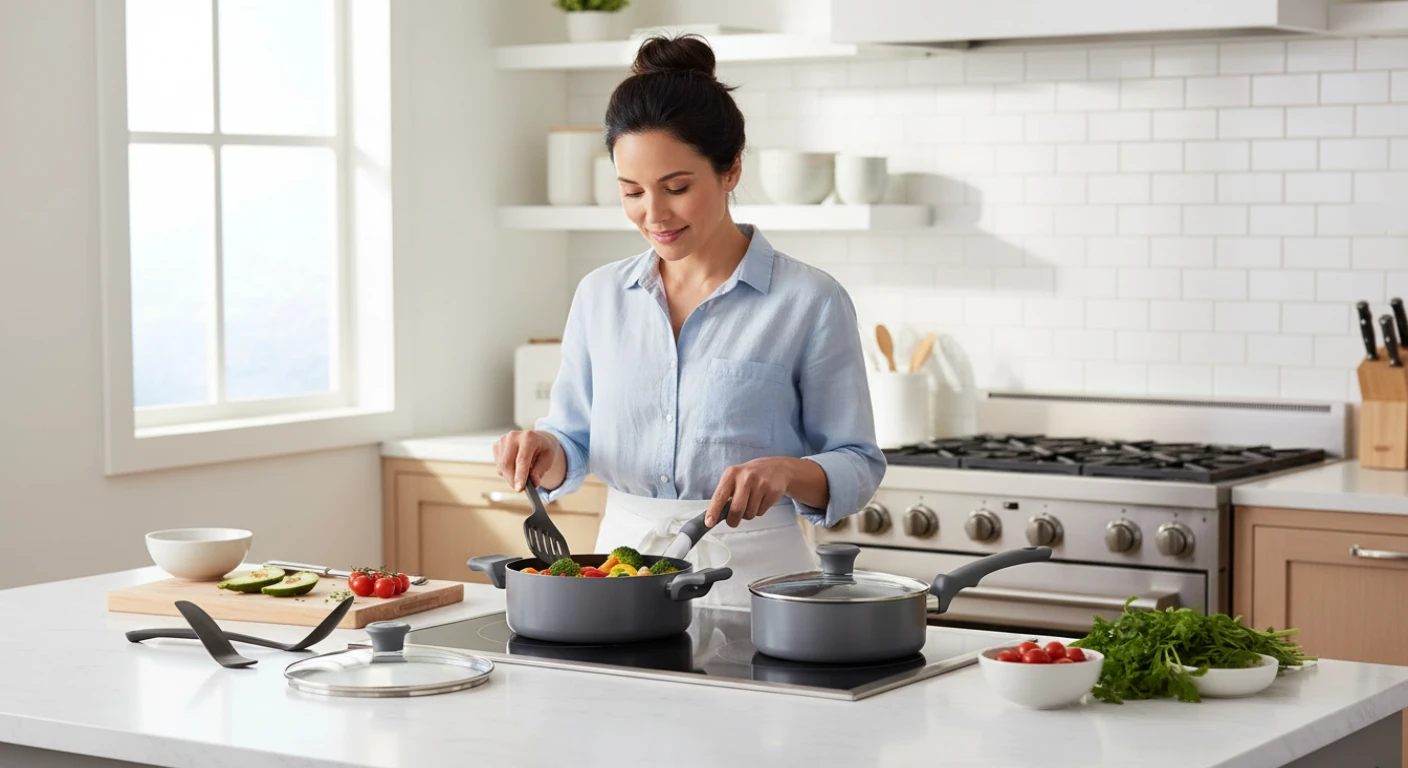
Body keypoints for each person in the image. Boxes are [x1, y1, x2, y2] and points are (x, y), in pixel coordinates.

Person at [493, 34, 886, 608]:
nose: (654, 215)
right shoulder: (601, 295)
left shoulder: (810, 300)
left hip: (758, 588)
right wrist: (544, 454)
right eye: (632, 192)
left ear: (730, 170)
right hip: (619, 583)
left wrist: (786, 472)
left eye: (677, 188)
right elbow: (572, 439)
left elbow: (858, 462)